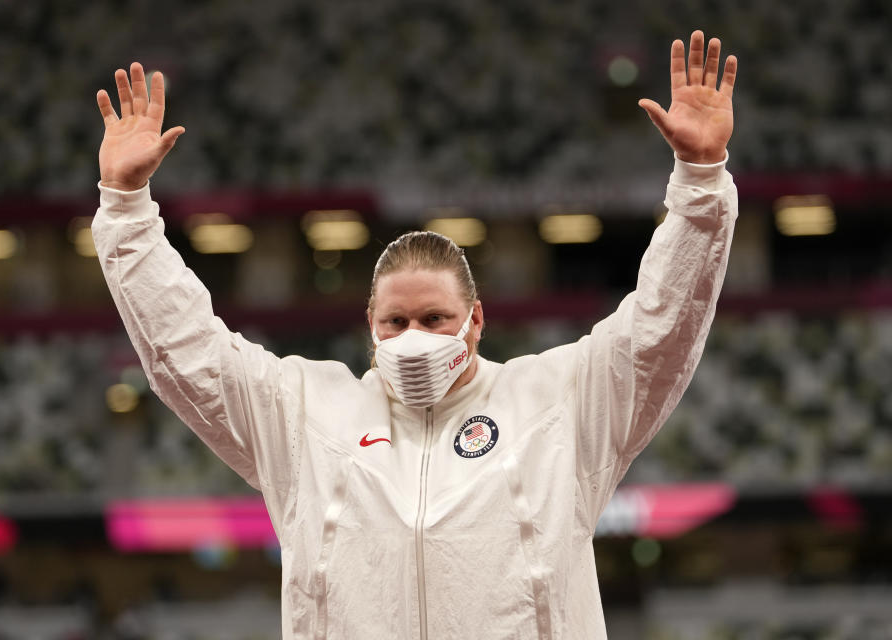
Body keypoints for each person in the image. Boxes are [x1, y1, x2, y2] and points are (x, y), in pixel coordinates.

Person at [92, 30, 738, 640]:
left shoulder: (558, 400)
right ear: (369, 326)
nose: (413, 337)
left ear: (477, 320)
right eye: (395, 322)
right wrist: (125, 212)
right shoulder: (306, 414)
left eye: (434, 319)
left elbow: (661, 329)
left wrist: (701, 184)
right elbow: (189, 352)